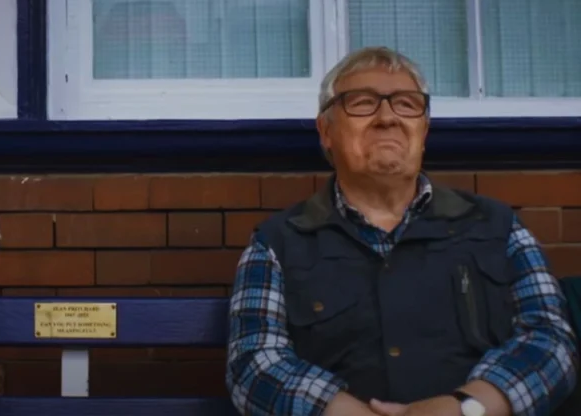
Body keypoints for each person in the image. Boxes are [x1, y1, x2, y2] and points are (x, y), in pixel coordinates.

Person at [226, 47, 577, 416]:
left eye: (407, 104)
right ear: (325, 131)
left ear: (423, 130)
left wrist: (463, 409)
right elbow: (253, 362)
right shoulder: (277, 243)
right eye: (362, 103)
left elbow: (550, 341)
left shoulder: (499, 227)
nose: (387, 117)